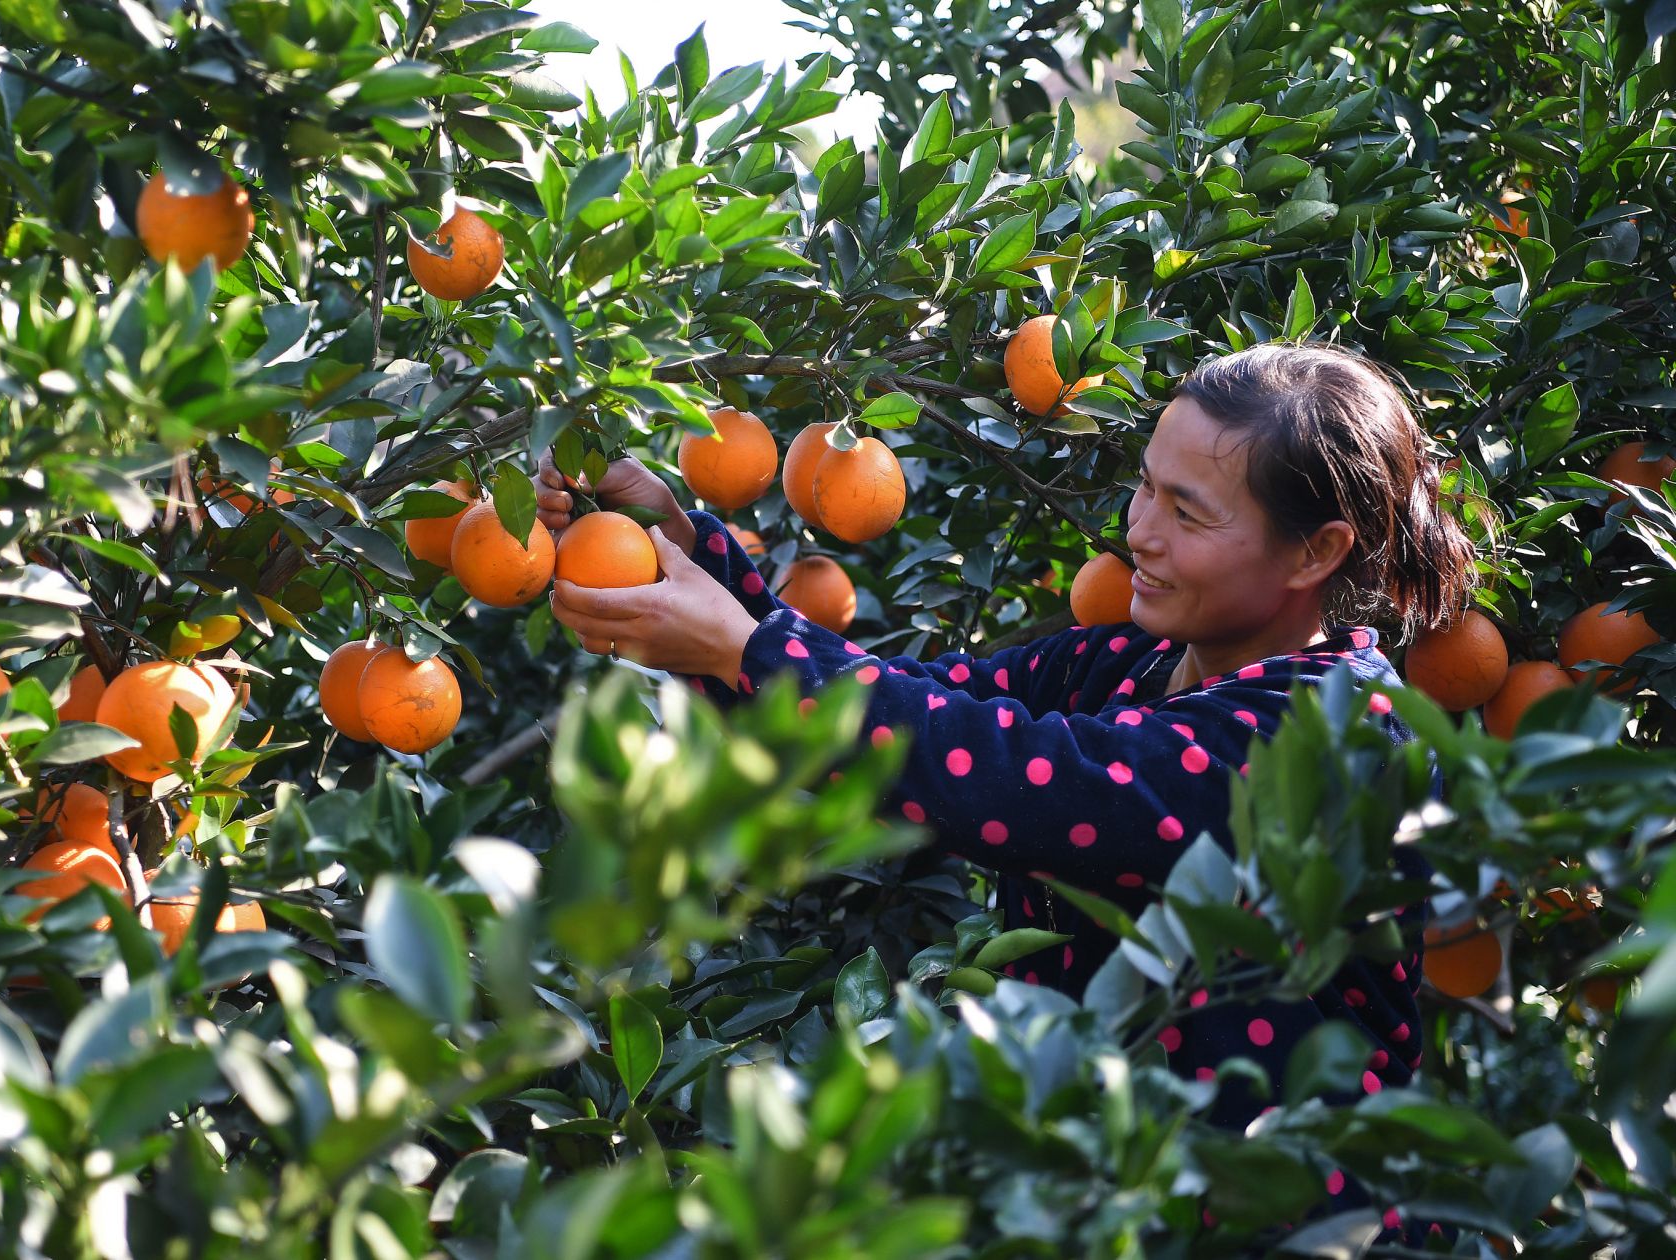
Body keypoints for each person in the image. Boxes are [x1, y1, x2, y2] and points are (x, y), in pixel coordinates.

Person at [540, 342, 1475, 1211]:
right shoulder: (1125, 666)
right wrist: (685, 547)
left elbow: (1017, 783)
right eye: (1146, 489)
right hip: (1095, 1189)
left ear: (1317, 551)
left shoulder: (1337, 732)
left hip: (1278, 1219)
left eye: (1187, 512)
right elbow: (905, 709)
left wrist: (746, 644)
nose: (1138, 532)